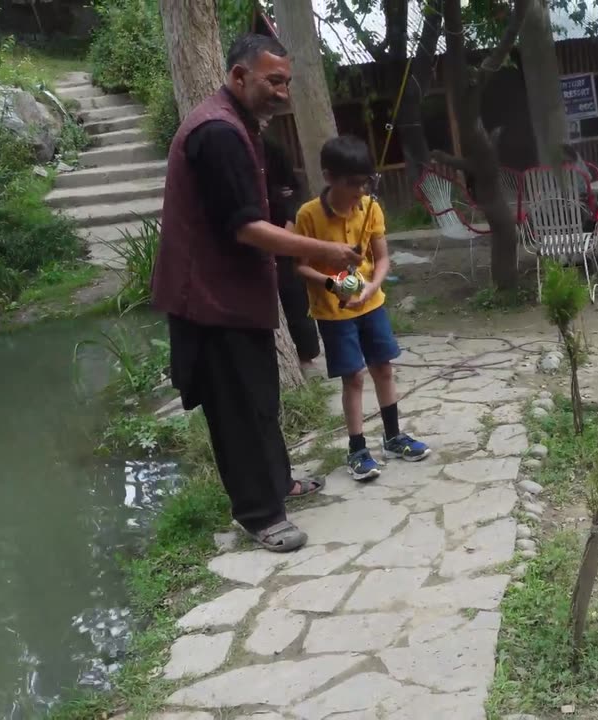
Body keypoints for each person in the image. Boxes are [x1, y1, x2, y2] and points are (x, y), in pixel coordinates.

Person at [151, 33, 362, 554]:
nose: (282, 92)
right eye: (273, 81)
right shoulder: (218, 133)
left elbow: (269, 213)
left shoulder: (246, 128)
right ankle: (259, 514)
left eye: (286, 82)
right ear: (239, 76)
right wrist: (323, 253)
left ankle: (279, 483)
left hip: (240, 294)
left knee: (261, 398)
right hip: (208, 300)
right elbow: (245, 227)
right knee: (236, 409)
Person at [294, 135, 430, 482]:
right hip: (333, 310)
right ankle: (357, 449)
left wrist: (371, 287)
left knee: (383, 368)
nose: (359, 192)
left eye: (364, 183)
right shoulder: (308, 215)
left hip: (371, 303)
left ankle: (393, 437)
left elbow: (382, 259)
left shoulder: (371, 208)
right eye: (351, 184)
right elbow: (302, 266)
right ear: (329, 176)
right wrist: (332, 284)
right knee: (353, 377)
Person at [263, 131, 320, 370]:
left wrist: (286, 231)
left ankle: (306, 356)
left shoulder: (271, 146)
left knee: (294, 295)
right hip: (254, 236)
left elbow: (292, 192)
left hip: (282, 231)